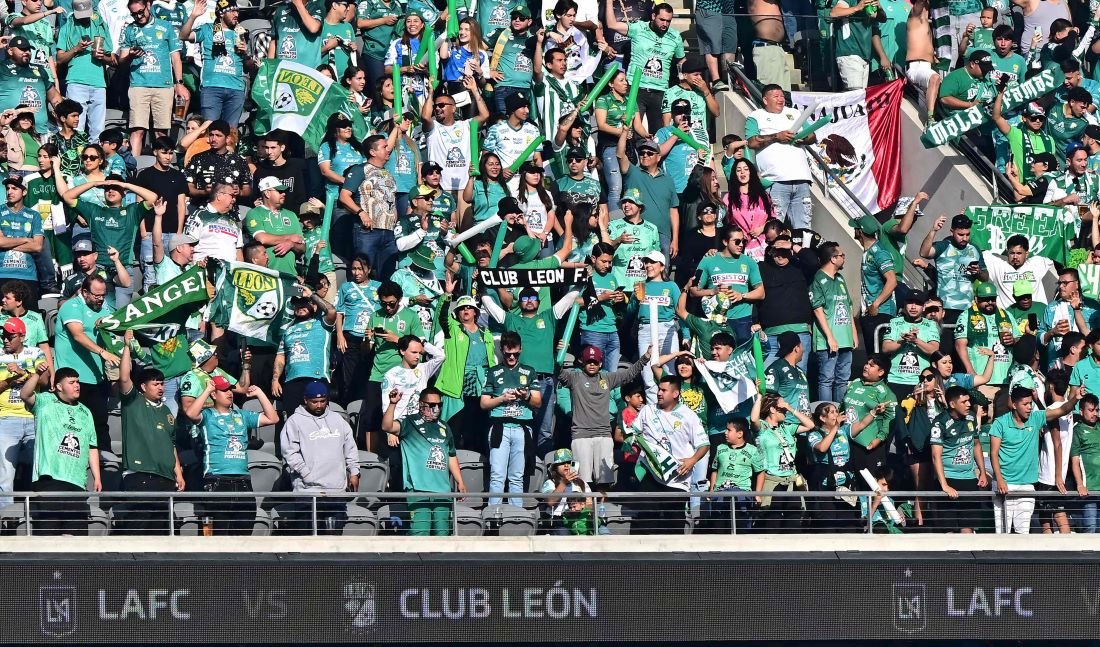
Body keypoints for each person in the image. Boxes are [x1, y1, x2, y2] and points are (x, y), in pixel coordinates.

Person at [183, 376, 278, 535]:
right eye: (224, 390)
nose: (229, 393)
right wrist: (207, 390)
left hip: (243, 481)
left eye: (230, 389)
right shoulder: (207, 415)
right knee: (218, 539)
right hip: (216, 480)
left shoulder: (242, 415)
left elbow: (273, 418)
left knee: (243, 539)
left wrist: (260, 393)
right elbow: (191, 413)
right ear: (214, 394)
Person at [116, 330, 184, 535]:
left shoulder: (166, 411)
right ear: (143, 387)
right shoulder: (133, 402)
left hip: (166, 477)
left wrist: (179, 473)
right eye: (155, 384)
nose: (161, 388)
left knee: (163, 533)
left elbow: (171, 444)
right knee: (139, 530)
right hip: (141, 475)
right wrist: (127, 346)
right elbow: (124, 377)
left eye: (162, 384)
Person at [990, 384, 1081, 533]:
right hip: (1005, 484)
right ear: (1014, 405)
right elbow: (993, 453)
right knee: (1002, 533)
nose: (1029, 408)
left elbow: (1062, 410)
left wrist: (1075, 399)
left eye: (1030, 403)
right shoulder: (1000, 423)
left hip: (1027, 484)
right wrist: (999, 479)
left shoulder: (1036, 417)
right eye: (1025, 404)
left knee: (1023, 533)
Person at [558, 345, 652, 487]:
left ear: (601, 363)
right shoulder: (574, 377)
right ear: (582, 362)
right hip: (581, 435)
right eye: (589, 361)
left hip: (604, 435)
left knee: (605, 482)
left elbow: (629, 374)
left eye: (595, 362)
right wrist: (560, 352)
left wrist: (645, 357)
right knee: (582, 482)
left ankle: (602, 502)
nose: (592, 365)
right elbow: (557, 371)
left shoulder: (607, 378)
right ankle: (587, 502)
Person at [21, 366, 99, 535]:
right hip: (50, 479)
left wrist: (97, 477)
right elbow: (25, 395)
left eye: (78, 382)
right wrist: (37, 374)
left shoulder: (86, 412)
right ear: (59, 386)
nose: (77, 385)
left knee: (77, 538)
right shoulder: (45, 401)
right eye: (71, 382)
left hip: (77, 482)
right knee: (48, 535)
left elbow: (92, 446)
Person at [627, 375, 709, 534]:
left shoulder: (689, 415)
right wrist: (630, 440)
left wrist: (692, 460)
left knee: (674, 523)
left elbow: (704, 444)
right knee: (645, 518)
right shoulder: (647, 410)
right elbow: (633, 433)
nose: (659, 393)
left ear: (675, 393)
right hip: (651, 473)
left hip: (677, 478)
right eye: (659, 389)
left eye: (663, 390)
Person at [382, 386, 466, 536]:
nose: (436, 408)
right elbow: (386, 426)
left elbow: (451, 455)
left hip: (443, 491)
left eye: (439, 405)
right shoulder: (410, 422)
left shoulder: (445, 427)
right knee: (420, 533)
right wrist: (393, 404)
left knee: (443, 534)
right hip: (418, 489)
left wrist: (460, 481)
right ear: (421, 404)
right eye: (432, 405)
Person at [280, 381, 360, 532]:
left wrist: (354, 472)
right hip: (307, 492)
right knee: (307, 538)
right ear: (305, 400)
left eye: (322, 401)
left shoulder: (338, 420)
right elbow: (289, 452)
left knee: (333, 538)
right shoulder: (294, 421)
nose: (319, 405)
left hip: (336, 491)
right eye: (314, 402)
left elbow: (350, 448)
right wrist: (306, 474)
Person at [480, 331, 541, 507]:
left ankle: (516, 516)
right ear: (502, 350)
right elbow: (484, 404)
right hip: (500, 427)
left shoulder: (529, 371)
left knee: (516, 476)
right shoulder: (493, 372)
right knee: (497, 475)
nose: (512, 357)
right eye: (508, 354)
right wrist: (502, 398)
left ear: (520, 349)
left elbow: (538, 402)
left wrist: (525, 396)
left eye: (515, 353)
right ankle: (494, 515)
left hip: (522, 428)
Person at [118, 0, 187, 156]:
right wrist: (130, 56)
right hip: (138, 84)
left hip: (164, 85)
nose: (138, 16)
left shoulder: (166, 26)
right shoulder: (129, 29)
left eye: (140, 12)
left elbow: (176, 58)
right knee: (137, 130)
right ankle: (134, 166)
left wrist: (179, 83)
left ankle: (162, 164)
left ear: (148, 6)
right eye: (134, 14)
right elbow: (122, 61)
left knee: (161, 131)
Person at [603, 2, 684, 132]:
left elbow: (682, 61)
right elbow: (612, 24)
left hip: (660, 91)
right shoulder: (638, 28)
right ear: (653, 16)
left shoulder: (675, 36)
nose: (665, 24)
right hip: (636, 88)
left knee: (658, 134)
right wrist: (608, 2)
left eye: (668, 21)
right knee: (631, 131)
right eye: (662, 20)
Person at [745, 84, 816, 230]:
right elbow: (751, 142)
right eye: (776, 96)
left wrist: (803, 138)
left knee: (804, 228)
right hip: (776, 181)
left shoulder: (795, 113)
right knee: (773, 227)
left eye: (782, 96)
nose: (781, 99)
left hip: (801, 179)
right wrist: (777, 136)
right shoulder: (756, 116)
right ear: (765, 100)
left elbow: (812, 135)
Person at [179, 0, 251, 124]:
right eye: (232, 11)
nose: (236, 14)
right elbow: (183, 36)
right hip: (212, 87)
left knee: (231, 131)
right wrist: (193, 16)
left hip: (236, 89)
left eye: (237, 11)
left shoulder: (240, 32)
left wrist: (246, 54)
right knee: (209, 128)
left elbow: (248, 66)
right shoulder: (207, 29)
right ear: (222, 13)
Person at [750, 392, 813, 532]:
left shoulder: (786, 427)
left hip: (791, 480)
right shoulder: (763, 428)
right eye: (782, 408)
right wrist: (759, 397)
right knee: (772, 522)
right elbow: (754, 419)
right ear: (772, 409)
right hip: (772, 480)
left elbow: (810, 425)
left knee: (794, 522)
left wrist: (790, 408)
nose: (785, 411)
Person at [690, 226, 764, 344]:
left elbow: (761, 293)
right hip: (715, 319)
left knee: (742, 354)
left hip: (742, 319)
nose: (741, 245)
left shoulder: (749, 262)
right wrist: (713, 291)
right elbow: (693, 291)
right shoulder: (708, 260)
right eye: (737, 241)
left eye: (743, 241)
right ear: (725, 242)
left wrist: (741, 296)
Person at [0, 317, 45, 506]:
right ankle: (6, 517)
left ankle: (37, 513)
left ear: (22, 336)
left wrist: (24, 373)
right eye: (3, 336)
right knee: (5, 475)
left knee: (37, 471)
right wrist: (10, 381)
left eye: (10, 336)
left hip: (34, 418)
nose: (5, 340)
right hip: (6, 419)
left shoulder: (35, 353)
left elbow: (45, 381)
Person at [930, 385, 988, 533]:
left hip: (969, 478)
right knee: (948, 528)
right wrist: (944, 485)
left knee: (968, 526)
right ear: (952, 404)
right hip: (949, 478)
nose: (968, 404)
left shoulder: (971, 418)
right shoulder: (939, 422)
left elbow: (976, 445)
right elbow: (936, 456)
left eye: (969, 401)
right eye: (964, 402)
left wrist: (982, 472)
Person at [55, 0, 113, 143]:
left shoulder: (100, 25)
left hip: (99, 83)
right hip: (76, 81)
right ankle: (76, 155)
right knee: (76, 126)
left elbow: (112, 59)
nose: (84, 17)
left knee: (98, 129)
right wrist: (76, 49)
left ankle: (95, 155)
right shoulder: (67, 27)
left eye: (87, 14)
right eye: (81, 15)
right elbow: (60, 59)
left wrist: (102, 56)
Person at [617, 132, 680, 260]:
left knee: (662, 270)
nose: (645, 155)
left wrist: (675, 239)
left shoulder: (668, 180)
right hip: (637, 231)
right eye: (642, 153)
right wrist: (624, 131)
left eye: (650, 153)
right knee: (636, 269)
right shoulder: (632, 172)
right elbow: (619, 154)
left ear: (658, 157)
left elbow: (673, 211)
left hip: (662, 234)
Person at [273, 287, 337, 409]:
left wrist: (312, 295)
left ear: (314, 306)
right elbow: (280, 356)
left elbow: (332, 311)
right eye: (297, 304)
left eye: (305, 303)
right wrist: (275, 380)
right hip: (291, 382)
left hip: (316, 378)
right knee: (293, 419)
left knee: (317, 419)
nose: (300, 306)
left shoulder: (322, 323)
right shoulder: (288, 330)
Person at [920, 213, 987, 327]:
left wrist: (978, 272)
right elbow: (924, 253)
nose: (964, 238)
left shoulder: (974, 249)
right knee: (945, 337)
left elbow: (986, 277)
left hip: (967, 308)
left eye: (967, 234)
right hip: (945, 306)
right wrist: (933, 230)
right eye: (960, 234)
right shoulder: (943, 246)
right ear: (952, 231)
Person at [811, 241, 857, 402]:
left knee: (843, 379)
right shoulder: (818, 279)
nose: (844, 258)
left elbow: (848, 306)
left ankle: (839, 412)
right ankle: (826, 412)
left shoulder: (840, 278)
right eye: (842, 255)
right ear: (833, 258)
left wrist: (853, 332)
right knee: (827, 379)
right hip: (828, 341)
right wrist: (830, 338)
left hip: (845, 338)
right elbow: (818, 310)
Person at [843, 354, 896, 471]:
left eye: (871, 366)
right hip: (845, 442)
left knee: (868, 481)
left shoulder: (885, 393)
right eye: (866, 363)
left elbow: (889, 420)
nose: (866, 366)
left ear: (881, 372)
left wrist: (879, 439)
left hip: (867, 446)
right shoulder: (855, 383)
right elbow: (842, 406)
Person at [245, 177, 304, 276]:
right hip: (265, 275)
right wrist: (289, 237)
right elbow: (262, 239)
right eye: (279, 191)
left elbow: (302, 246)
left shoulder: (291, 215)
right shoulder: (254, 213)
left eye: (284, 191)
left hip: (291, 276)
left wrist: (292, 244)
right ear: (267, 193)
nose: (283, 194)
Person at [183, 120, 252, 202]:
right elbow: (188, 187)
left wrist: (240, 192)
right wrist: (203, 192)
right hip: (202, 206)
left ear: (227, 138)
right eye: (211, 135)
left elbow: (247, 189)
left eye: (218, 136)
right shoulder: (198, 159)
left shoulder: (239, 161)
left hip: (230, 207)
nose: (213, 139)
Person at [0, 176, 43, 302]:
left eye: (14, 188)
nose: (9, 192)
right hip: (2, 274)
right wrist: (26, 239)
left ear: (24, 192)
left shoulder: (34, 215)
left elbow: (37, 246)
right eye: (8, 188)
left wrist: (8, 242)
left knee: (28, 313)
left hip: (27, 276)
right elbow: (0, 242)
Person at [982, 235, 1054, 310]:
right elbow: (979, 249)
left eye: (1019, 253)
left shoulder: (1037, 263)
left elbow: (1057, 256)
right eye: (1012, 253)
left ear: (1026, 254)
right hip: (1008, 315)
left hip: (1036, 313)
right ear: (1007, 252)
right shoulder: (997, 266)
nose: (1015, 257)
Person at [1071, 392, 1100, 533]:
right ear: (1081, 411)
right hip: (1089, 490)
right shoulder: (1077, 430)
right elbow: (1075, 461)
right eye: (1091, 410)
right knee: (1090, 528)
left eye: (1097, 410)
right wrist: (1080, 484)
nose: (1095, 413)